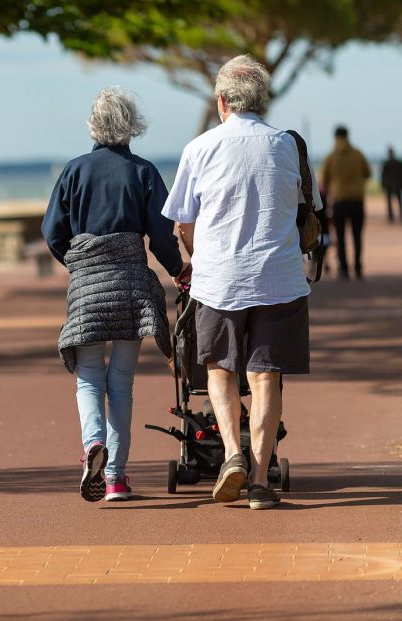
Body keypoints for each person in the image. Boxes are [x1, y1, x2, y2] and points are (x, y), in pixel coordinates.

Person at [162, 55, 322, 510]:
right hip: (279, 279)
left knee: (219, 370)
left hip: (218, 282)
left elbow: (183, 224)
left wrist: (197, 258)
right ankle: (259, 481)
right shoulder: (288, 146)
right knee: (266, 377)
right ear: (263, 101)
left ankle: (231, 452)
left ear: (221, 102)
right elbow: (309, 208)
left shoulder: (200, 148)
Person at [43, 87, 188, 503]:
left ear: (93, 124)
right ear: (131, 125)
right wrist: (178, 269)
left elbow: (52, 231)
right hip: (130, 287)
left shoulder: (74, 170)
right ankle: (114, 479)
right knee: (121, 383)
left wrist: (79, 263)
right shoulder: (144, 172)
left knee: (89, 376)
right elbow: (161, 234)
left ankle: (93, 444)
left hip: (87, 288)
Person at [320, 126, 370, 279]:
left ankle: (343, 269)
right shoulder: (358, 154)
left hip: (339, 201)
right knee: (357, 235)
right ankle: (358, 267)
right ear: (348, 136)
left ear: (335, 137)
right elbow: (368, 173)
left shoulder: (331, 157)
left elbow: (323, 181)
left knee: (340, 237)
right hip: (357, 200)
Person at [380, 147, 402, 223]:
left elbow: (383, 176)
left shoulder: (386, 163)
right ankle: (399, 215)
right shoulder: (398, 162)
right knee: (399, 201)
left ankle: (391, 217)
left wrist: (383, 185)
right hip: (397, 185)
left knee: (390, 202)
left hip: (389, 185)